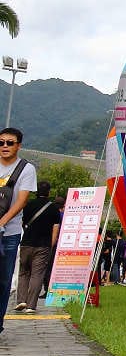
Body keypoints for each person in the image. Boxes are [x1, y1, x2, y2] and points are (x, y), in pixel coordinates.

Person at [0, 127, 36, 333]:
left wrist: (2, 222)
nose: (5, 146)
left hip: (10, 233)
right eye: (1, 142)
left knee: (4, 280)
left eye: (10, 143)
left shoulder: (26, 169)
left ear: (18, 146)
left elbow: (21, 201)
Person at [14, 180, 62, 312]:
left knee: (23, 272)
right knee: (37, 274)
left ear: (36, 191)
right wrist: (50, 246)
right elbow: (55, 230)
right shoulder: (53, 209)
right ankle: (31, 305)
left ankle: (21, 300)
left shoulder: (28, 205)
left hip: (26, 243)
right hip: (43, 246)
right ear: (48, 192)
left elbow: (23, 224)